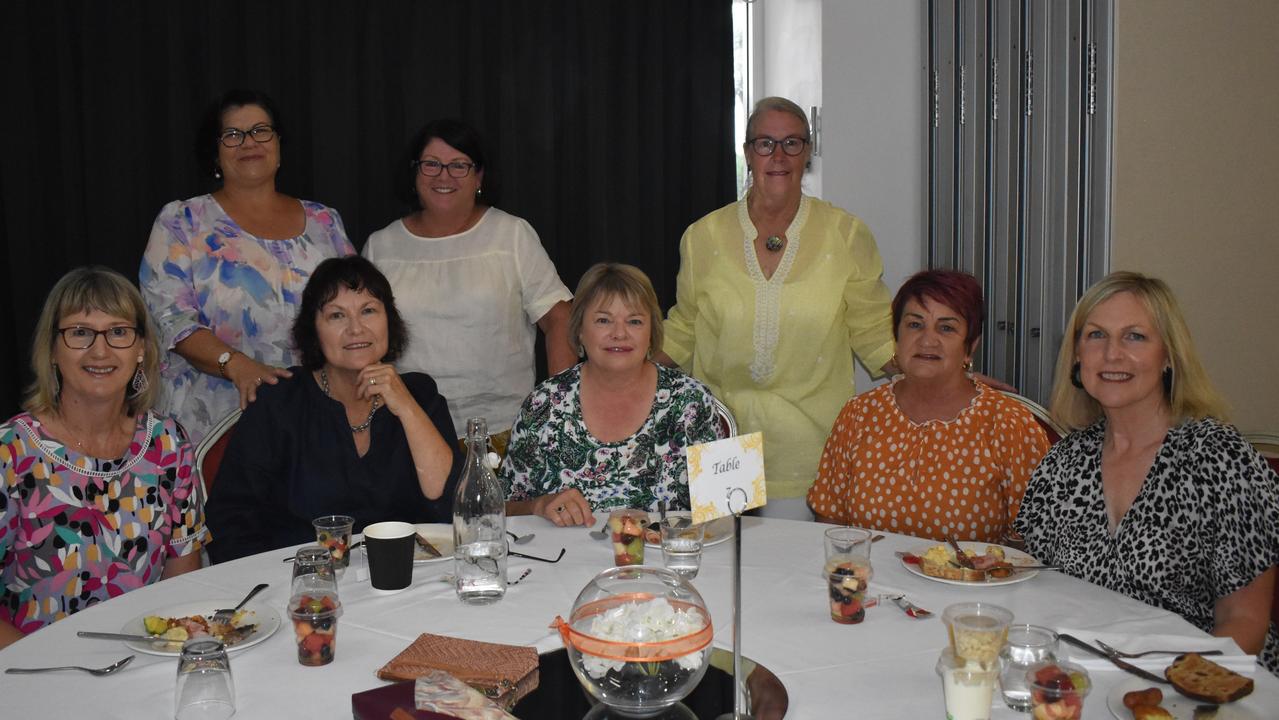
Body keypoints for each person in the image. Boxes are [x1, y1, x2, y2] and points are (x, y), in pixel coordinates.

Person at [1014, 271, 1279, 674]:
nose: (1112, 354)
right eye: (1096, 335)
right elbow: (1042, 589)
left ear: (1169, 355)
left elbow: (1244, 621)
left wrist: (1177, 691)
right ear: (1077, 356)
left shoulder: (1219, 460)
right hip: (1095, 676)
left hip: (1212, 683)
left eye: (1135, 336)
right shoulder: (1062, 464)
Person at [661, 97, 897, 519]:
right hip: (722, 442)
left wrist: (946, 377)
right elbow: (683, 329)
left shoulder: (845, 234)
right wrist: (612, 372)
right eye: (765, 144)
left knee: (798, 573)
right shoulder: (703, 237)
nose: (779, 156)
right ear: (748, 152)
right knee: (726, 571)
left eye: (792, 143)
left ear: (807, 153)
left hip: (810, 444)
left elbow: (875, 328)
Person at [205, 256, 461, 563]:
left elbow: (449, 507)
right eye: (337, 316)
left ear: (389, 321)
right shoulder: (280, 402)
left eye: (368, 311)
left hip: (406, 577)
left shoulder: (420, 394)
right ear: (313, 329)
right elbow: (232, 522)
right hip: (303, 583)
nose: (356, 329)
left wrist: (406, 406)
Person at [0, 268, 205, 649]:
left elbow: (182, 577)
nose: (100, 350)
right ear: (52, 349)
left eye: (118, 332)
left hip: (145, 660)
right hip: (32, 677)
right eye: (80, 332)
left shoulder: (168, 444)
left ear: (141, 349)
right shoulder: (10, 452)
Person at [140, 89, 354, 446]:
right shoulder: (182, 222)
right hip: (212, 422)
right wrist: (236, 365)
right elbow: (168, 319)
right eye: (233, 135)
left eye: (260, 130)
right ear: (215, 152)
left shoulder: (324, 222)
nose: (249, 143)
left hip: (314, 414)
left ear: (279, 143)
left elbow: (356, 311)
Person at [363, 118, 574, 450]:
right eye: (431, 165)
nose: (444, 176)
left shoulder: (512, 235)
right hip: (407, 429)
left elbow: (560, 318)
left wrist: (557, 409)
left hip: (504, 430)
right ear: (414, 172)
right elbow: (362, 338)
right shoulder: (381, 246)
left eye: (459, 165)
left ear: (479, 176)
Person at [807, 270, 1050, 542]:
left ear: (970, 346)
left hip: (971, 583)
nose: (927, 340)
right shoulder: (860, 414)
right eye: (914, 324)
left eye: (946, 328)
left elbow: (1036, 541)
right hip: (873, 581)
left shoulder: (1007, 423)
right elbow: (830, 521)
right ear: (896, 337)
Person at [501, 263, 723, 526]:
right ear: (580, 330)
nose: (619, 333)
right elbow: (501, 508)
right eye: (603, 320)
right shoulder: (544, 405)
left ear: (652, 333)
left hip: (666, 563)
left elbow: (724, 510)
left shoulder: (691, 402)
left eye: (635, 321)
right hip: (566, 562)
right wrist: (539, 504)